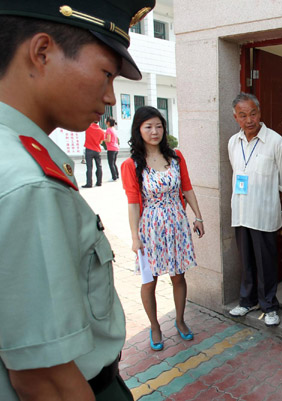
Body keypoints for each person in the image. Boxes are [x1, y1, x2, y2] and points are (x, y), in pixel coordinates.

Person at [0, 1, 155, 400]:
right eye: (106, 74)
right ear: (42, 52)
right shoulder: (29, 180)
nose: (109, 97)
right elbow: (44, 378)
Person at [121, 106, 205, 351]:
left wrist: (198, 217)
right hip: (150, 229)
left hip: (177, 224)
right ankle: (155, 326)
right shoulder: (132, 164)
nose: (154, 131)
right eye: (148, 126)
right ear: (139, 129)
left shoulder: (176, 157)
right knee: (150, 280)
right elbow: (133, 202)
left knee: (179, 276)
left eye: (158, 126)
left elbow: (187, 188)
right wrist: (135, 237)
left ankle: (179, 320)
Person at [227, 92, 282, 327]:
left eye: (253, 113)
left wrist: (264, 198)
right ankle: (247, 301)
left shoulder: (275, 142)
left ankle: (269, 306)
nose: (249, 119)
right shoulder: (233, 143)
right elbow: (237, 172)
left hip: (264, 214)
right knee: (245, 261)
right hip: (241, 212)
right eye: (243, 115)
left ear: (260, 113)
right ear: (236, 117)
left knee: (266, 262)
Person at [83, 121, 105, 187]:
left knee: (89, 167)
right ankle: (99, 182)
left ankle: (89, 183)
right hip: (97, 150)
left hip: (89, 149)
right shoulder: (101, 131)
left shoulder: (88, 127)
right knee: (99, 166)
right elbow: (101, 142)